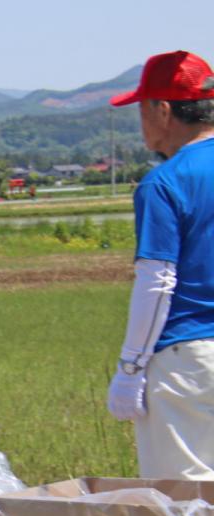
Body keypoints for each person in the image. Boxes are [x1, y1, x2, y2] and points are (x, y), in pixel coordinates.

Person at [106, 50, 214, 478]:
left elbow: (157, 280)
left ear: (163, 110)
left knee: (186, 508)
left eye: (142, 109)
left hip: (188, 359)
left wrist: (131, 368)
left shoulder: (164, 183)